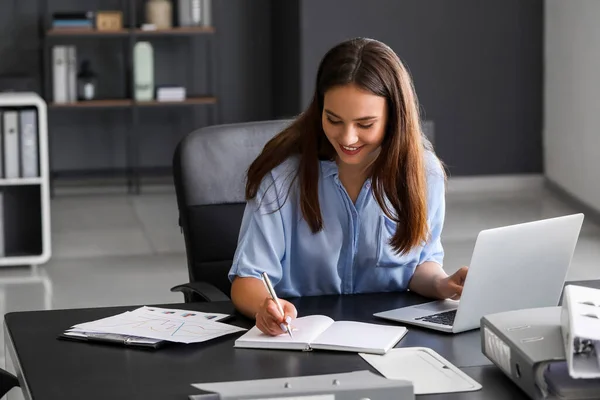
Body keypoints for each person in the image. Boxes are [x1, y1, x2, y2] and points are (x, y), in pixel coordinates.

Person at [228, 37, 469, 336]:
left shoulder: (423, 173)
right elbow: (247, 280)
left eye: (365, 124)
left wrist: (441, 284)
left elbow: (419, 264)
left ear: (395, 118)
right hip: (304, 335)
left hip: (388, 335)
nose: (348, 138)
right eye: (334, 120)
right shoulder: (282, 177)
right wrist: (265, 305)